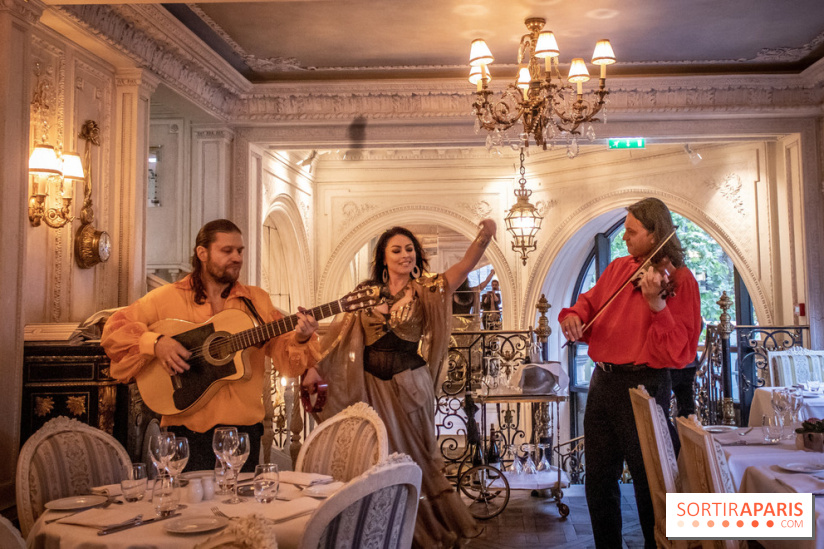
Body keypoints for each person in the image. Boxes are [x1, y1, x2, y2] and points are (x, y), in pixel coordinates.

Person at [304, 219, 496, 549]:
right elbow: (334, 336)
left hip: (411, 386)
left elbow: (465, 267)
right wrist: (309, 359)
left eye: (409, 249)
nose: (404, 254)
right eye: (397, 250)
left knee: (418, 457)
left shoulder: (428, 288)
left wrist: (484, 236)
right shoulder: (364, 294)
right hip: (368, 387)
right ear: (383, 257)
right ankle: (385, 526)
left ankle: (426, 531)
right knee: (377, 457)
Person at [102, 219, 319, 472]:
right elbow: (114, 330)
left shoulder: (257, 300)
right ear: (202, 253)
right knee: (190, 509)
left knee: (239, 509)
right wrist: (157, 343)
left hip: (243, 432)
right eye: (227, 251)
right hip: (185, 431)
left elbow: (286, 359)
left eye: (240, 251)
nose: (237, 257)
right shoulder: (166, 298)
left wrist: (301, 337)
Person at [558, 198, 701, 549]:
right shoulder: (620, 268)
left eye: (632, 231)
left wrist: (657, 305)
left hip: (644, 385)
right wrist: (573, 315)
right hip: (603, 381)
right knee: (598, 479)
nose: (624, 237)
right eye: (624, 230)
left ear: (655, 235)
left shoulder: (679, 280)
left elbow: (677, 351)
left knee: (648, 478)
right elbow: (589, 302)